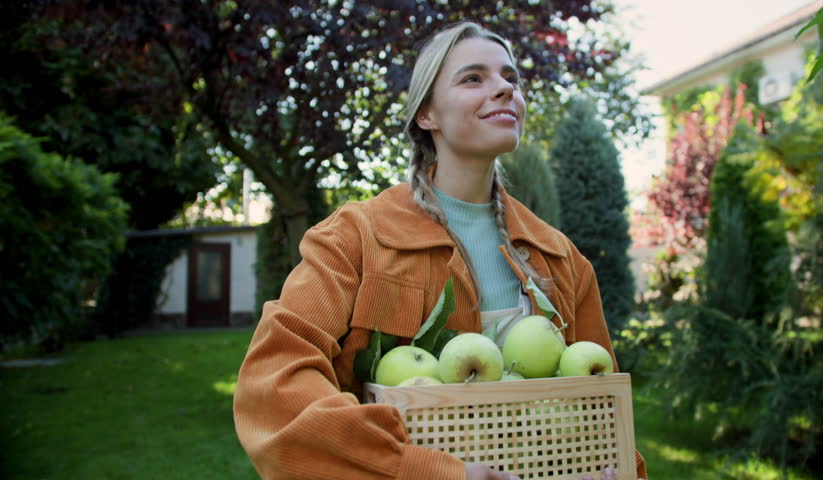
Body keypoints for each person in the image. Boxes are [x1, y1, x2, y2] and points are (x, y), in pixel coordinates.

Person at [233, 21, 647, 480]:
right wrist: (429, 470)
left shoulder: (560, 257)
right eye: (474, 78)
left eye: (511, 78)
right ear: (427, 114)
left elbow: (604, 415)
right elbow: (276, 383)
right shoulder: (355, 238)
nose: (504, 89)